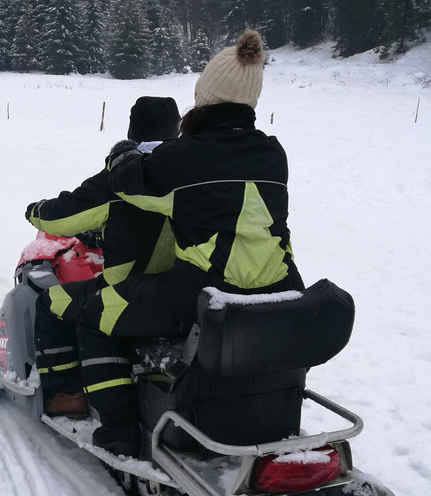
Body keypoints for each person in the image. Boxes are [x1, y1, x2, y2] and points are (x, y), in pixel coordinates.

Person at [75, 30, 305, 458]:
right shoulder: (275, 154)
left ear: (204, 95)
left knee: (94, 313)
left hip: (202, 296)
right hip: (280, 293)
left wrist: (123, 153)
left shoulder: (186, 156)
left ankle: (119, 431)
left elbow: (129, 187)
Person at [25, 97, 181, 419]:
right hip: (182, 289)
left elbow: (64, 216)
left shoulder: (124, 173)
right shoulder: (191, 170)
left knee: (52, 304)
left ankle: (67, 394)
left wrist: (35, 211)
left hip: (129, 291)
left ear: (132, 130)